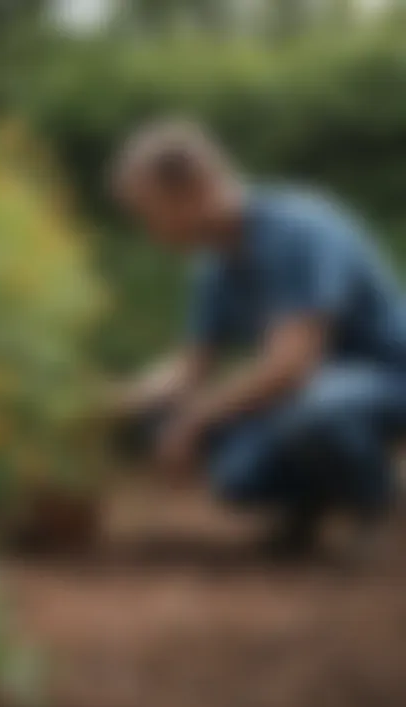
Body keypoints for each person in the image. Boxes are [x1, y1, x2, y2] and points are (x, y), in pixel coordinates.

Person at [109, 119, 406, 559]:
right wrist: (114, 403)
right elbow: (190, 368)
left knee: (316, 410)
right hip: (313, 389)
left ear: (191, 189)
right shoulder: (215, 263)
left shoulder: (300, 229)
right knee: (237, 474)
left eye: (147, 210)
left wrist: (193, 421)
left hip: (386, 378)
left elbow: (291, 366)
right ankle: (308, 508)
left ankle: (374, 504)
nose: (149, 229)